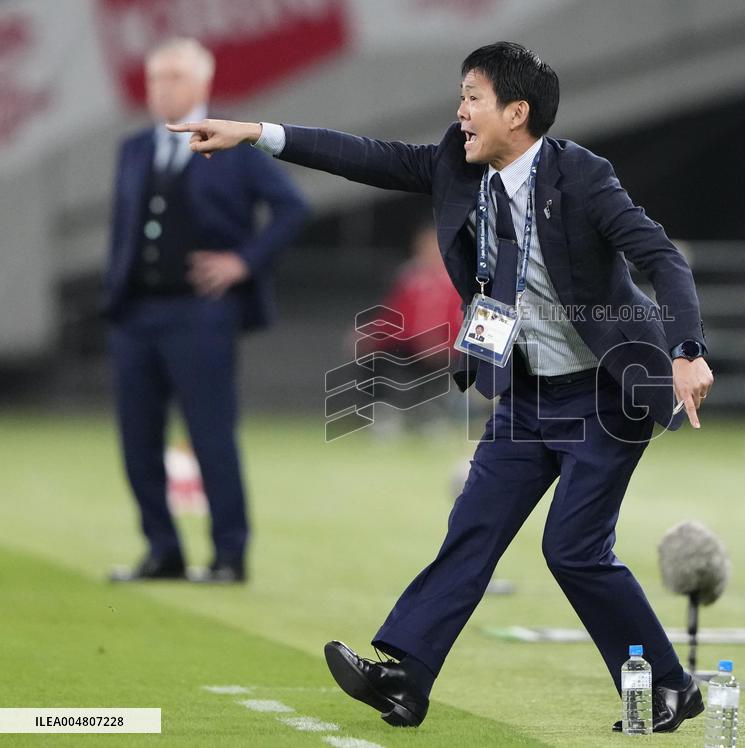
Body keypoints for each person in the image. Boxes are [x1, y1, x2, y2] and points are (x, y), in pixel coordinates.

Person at [169, 41, 713, 730]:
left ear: (516, 112)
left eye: (472, 98)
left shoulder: (581, 176)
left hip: (606, 392)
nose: (460, 112)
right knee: (472, 528)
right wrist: (255, 133)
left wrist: (686, 351)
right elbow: (363, 155)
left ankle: (669, 685)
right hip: (528, 393)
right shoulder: (457, 165)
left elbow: (661, 258)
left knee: (572, 549)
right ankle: (407, 677)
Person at [105, 38, 308, 584]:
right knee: (137, 440)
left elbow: (292, 207)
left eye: (173, 76)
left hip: (200, 314)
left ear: (201, 83)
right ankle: (162, 550)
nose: (161, 88)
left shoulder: (230, 143)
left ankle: (228, 555)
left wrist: (244, 262)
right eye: (155, 77)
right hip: (136, 314)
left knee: (211, 436)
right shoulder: (133, 148)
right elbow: (124, 230)